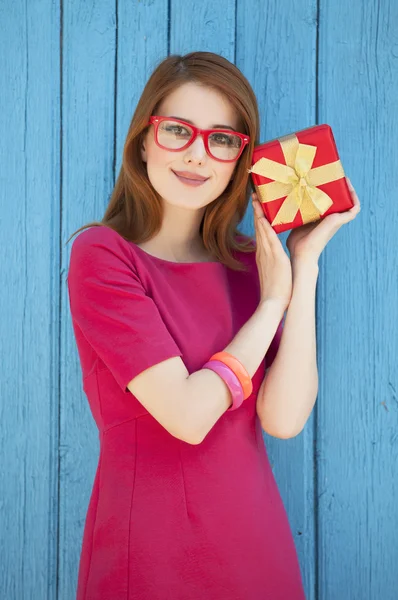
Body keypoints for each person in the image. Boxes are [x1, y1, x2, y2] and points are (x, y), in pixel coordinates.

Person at [66, 51, 360, 600]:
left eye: (222, 139)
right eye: (178, 130)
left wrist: (305, 267)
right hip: (149, 554)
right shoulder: (103, 255)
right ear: (144, 139)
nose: (198, 155)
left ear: (242, 159)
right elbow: (187, 414)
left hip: (256, 546)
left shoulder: (255, 264)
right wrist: (273, 303)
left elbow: (284, 418)